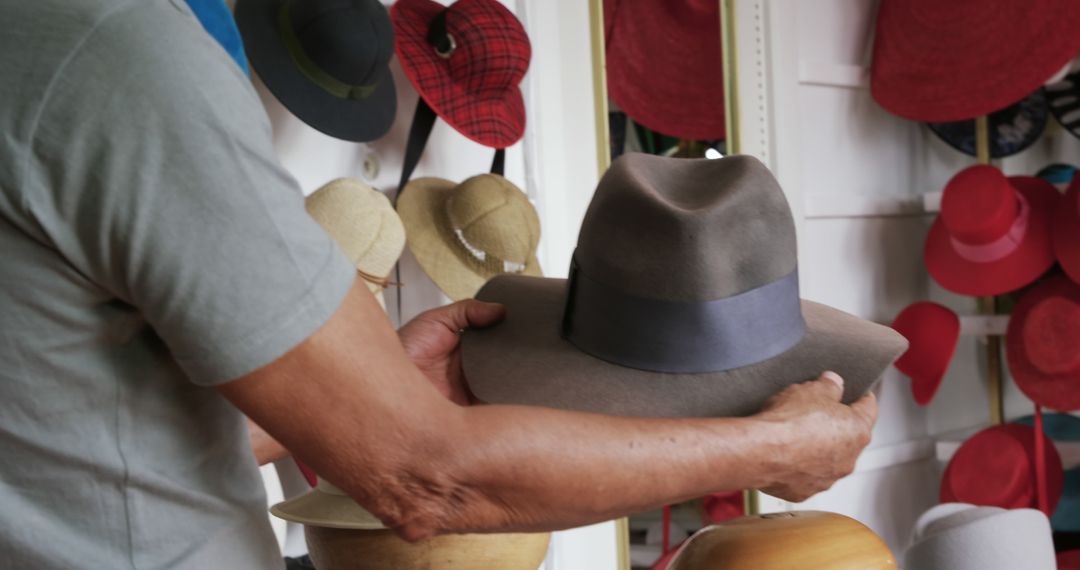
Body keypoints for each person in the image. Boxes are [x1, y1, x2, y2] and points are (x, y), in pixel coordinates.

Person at [0, 0, 878, 567]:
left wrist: (358, 387)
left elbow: (65, 427)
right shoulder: (110, 56)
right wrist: (768, 451)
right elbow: (431, 485)